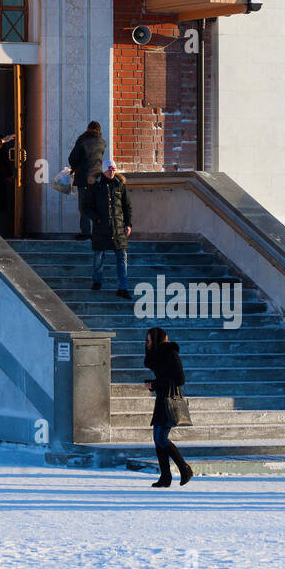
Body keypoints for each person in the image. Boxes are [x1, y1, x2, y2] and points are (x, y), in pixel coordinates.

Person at [144, 328, 194, 489]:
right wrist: (153, 384)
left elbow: (179, 379)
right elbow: (162, 375)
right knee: (157, 439)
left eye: (149, 340)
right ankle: (165, 476)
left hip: (169, 402)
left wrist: (156, 384)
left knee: (161, 439)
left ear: (157, 340)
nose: (147, 343)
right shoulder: (158, 355)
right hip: (161, 400)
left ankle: (184, 468)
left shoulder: (170, 354)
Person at [83, 155, 132, 298]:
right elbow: (86, 207)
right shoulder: (95, 186)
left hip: (118, 228)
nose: (111, 173)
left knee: (122, 258)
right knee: (99, 257)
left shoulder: (120, 185)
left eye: (113, 170)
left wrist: (128, 224)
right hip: (101, 228)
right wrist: (96, 218)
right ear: (104, 171)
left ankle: (123, 288)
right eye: (109, 170)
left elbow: (126, 206)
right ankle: (97, 282)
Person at [68, 120, 106, 240]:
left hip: (84, 178)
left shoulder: (82, 141)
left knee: (84, 206)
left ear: (88, 129)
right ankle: (97, 231)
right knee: (95, 205)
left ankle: (86, 232)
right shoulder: (103, 143)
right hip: (97, 178)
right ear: (99, 130)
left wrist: (76, 167)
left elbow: (72, 158)